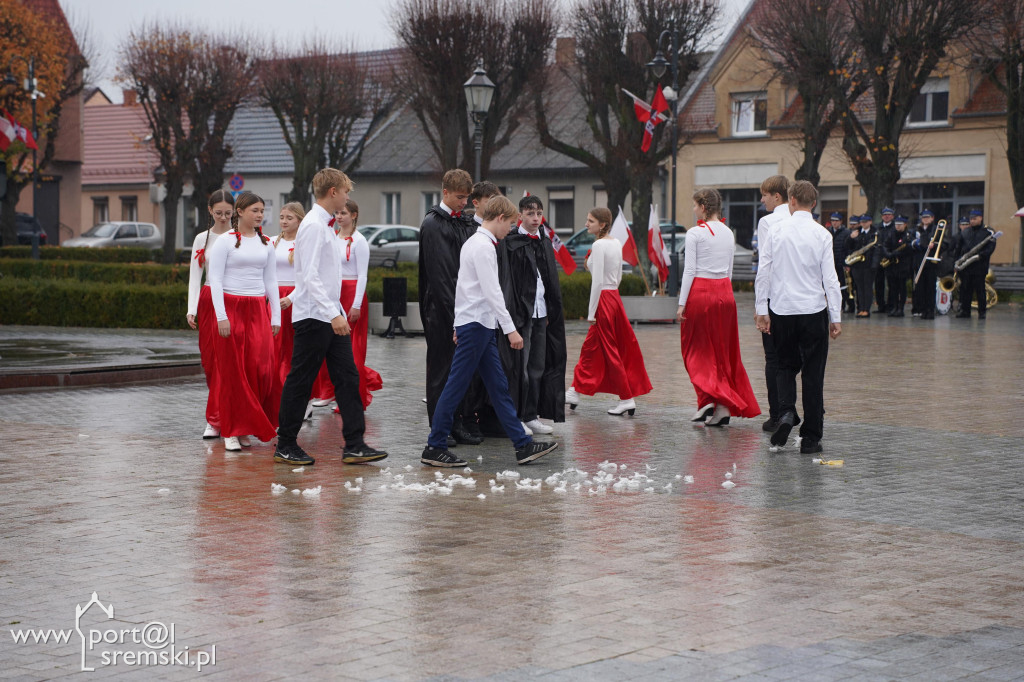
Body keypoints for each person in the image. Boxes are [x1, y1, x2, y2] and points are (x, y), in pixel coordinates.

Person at [421, 195, 558, 468]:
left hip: (477, 325)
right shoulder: (483, 246)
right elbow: (491, 292)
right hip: (477, 326)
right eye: (509, 222)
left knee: (497, 387)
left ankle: (522, 445)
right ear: (498, 219)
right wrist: (510, 330)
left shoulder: (479, 243)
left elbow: (465, 288)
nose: (511, 228)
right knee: (456, 386)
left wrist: (459, 324)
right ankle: (435, 445)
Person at [274, 168, 388, 466]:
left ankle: (354, 443)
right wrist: (332, 313)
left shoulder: (323, 226)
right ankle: (285, 443)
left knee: (348, 378)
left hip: (328, 314)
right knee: (301, 380)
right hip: (314, 317)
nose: (348, 197)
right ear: (333, 191)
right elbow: (308, 276)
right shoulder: (312, 225)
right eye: (346, 191)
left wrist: (335, 312)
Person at [754, 181, 842, 455]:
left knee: (784, 367)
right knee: (813, 374)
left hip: (782, 310)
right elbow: (830, 278)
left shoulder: (775, 230)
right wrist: (835, 316)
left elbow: (764, 270)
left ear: (791, 200)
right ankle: (811, 438)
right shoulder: (822, 234)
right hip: (813, 310)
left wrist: (761, 309)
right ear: (813, 203)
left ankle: (787, 412)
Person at [676, 188, 760, 427]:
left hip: (701, 293)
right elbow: (730, 269)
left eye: (694, 206)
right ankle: (722, 407)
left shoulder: (695, 233)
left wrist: (682, 303)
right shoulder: (728, 232)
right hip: (725, 292)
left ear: (703, 207)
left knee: (695, 349)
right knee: (723, 351)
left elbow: (690, 270)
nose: (693, 210)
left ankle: (706, 397)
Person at [206, 191, 281, 451]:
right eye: (255, 210)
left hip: (258, 309)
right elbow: (214, 279)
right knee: (233, 372)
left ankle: (247, 424)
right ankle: (230, 430)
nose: (260, 215)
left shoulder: (267, 242)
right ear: (240, 211)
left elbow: (271, 279)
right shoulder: (225, 241)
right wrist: (221, 316)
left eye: (262, 211)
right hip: (231, 307)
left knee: (260, 369)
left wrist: (276, 315)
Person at [564, 208, 652, 415]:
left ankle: (626, 398)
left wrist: (591, 311)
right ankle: (574, 390)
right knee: (590, 348)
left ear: (602, 225)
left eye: (590, 221)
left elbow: (597, 282)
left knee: (610, 350)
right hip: (613, 298)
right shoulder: (615, 243)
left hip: (603, 299)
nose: (586, 224)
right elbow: (618, 277)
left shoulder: (599, 244)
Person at [418, 169, 481, 447]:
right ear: (445, 192)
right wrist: (457, 316)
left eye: (467, 197)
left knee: (460, 369)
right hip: (442, 310)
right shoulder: (433, 224)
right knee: (442, 368)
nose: (464, 203)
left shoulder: (461, 222)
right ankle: (441, 425)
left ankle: (456, 421)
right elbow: (441, 276)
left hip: (461, 306)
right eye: (459, 197)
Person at [497, 194, 567, 435]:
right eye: (530, 213)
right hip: (520, 315)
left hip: (541, 313)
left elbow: (549, 281)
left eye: (539, 213)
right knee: (520, 367)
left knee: (537, 366)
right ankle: (515, 416)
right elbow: (508, 282)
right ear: (520, 216)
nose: (536, 218)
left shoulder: (544, 242)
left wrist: (549, 309)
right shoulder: (512, 242)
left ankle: (531, 414)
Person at [310, 200, 383, 410]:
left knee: (352, 348)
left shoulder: (359, 241)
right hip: (334, 292)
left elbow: (362, 275)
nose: (339, 217)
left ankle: (352, 397)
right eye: (337, 213)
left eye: (344, 213)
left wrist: (357, 304)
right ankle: (329, 391)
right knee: (328, 344)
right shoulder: (331, 237)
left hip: (351, 294)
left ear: (354, 215)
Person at [186, 190, 235, 440]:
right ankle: (215, 416)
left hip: (234, 300)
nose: (224, 218)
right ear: (209, 211)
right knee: (210, 362)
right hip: (208, 301)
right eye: (219, 213)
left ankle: (221, 418)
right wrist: (191, 308)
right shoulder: (201, 239)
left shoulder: (241, 236)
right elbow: (196, 274)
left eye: (228, 213)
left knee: (230, 363)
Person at [753, 175, 791, 433]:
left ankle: (777, 413)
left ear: (777, 196)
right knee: (798, 361)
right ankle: (797, 410)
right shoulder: (802, 220)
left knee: (773, 359)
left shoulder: (768, 221)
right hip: (803, 302)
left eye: (765, 195)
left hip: (776, 298)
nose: (762, 199)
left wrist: (760, 307)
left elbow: (765, 265)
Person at [272, 202, 314, 422]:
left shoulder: (304, 243)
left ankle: (303, 400)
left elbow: (307, 277)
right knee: (275, 350)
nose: (284, 222)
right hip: (275, 299)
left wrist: (291, 297)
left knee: (293, 351)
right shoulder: (271, 242)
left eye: (289, 218)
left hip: (294, 299)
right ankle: (279, 397)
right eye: (281, 217)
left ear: (299, 220)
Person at [954, 209, 997, 319]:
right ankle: (965, 311)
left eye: (974, 219)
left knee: (980, 291)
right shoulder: (965, 232)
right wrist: (957, 260)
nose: (972, 221)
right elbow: (959, 247)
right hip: (966, 267)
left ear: (980, 218)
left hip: (979, 266)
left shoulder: (987, 232)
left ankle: (982, 312)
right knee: (965, 290)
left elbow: (990, 248)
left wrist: (980, 255)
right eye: (971, 219)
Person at [846, 214, 881, 318]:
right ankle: (860, 308)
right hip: (857, 264)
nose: (863, 224)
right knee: (859, 288)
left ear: (870, 222)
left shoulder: (874, 233)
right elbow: (848, 246)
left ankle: (866, 309)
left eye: (865, 222)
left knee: (867, 288)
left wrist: (874, 265)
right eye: (862, 222)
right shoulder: (857, 232)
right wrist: (851, 238)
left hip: (868, 265)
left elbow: (877, 250)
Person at [882, 215, 914, 317]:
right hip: (891, 265)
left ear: (905, 225)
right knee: (893, 288)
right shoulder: (891, 234)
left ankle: (901, 308)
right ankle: (894, 307)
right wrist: (888, 254)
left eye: (900, 225)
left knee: (901, 288)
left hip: (902, 265)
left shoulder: (908, 235)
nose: (898, 226)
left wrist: (897, 254)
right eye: (896, 224)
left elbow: (908, 249)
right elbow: (885, 245)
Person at [826, 212, 852, 314]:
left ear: (841, 221)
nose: (834, 223)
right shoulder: (828, 232)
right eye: (832, 221)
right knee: (833, 286)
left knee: (844, 286)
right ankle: (836, 305)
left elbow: (848, 249)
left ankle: (848, 305)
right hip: (831, 263)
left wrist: (847, 263)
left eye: (836, 221)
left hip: (842, 263)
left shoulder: (846, 232)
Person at [874, 207, 896, 313]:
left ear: (892, 216)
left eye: (889, 214)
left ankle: (891, 306)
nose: (887, 216)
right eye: (885, 215)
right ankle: (880, 306)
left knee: (891, 284)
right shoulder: (877, 227)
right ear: (882, 216)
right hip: (879, 259)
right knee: (879, 284)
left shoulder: (895, 227)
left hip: (890, 259)